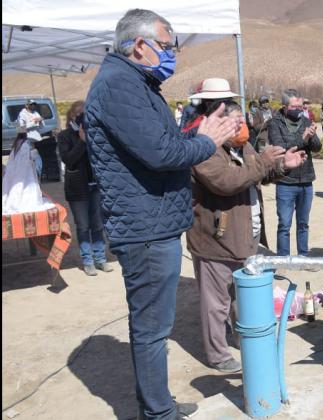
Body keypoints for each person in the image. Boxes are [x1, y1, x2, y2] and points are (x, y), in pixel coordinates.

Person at [84, 9, 236, 419]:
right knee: (151, 331)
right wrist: (205, 142)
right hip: (145, 228)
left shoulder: (137, 84)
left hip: (153, 223)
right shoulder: (120, 86)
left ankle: (157, 403)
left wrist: (196, 135)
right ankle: (157, 413)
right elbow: (162, 154)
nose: (172, 55)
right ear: (140, 45)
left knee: (153, 329)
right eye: (167, 47)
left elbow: (161, 142)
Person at [187, 95, 306, 374]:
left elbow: (257, 174)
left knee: (242, 297)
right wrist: (264, 162)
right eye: (236, 121)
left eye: (243, 121)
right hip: (216, 240)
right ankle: (218, 355)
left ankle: (242, 338)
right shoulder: (204, 149)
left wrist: (280, 165)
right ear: (218, 122)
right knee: (216, 304)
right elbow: (227, 182)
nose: (243, 126)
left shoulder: (243, 145)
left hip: (245, 238)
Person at [57, 101, 112, 276]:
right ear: (72, 116)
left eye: (86, 113)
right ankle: (88, 261)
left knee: (97, 225)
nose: (83, 116)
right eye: (80, 113)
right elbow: (68, 160)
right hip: (77, 190)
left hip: (95, 187)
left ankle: (100, 259)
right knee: (83, 226)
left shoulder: (93, 133)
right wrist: (81, 141)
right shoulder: (65, 136)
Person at [268, 89, 322, 256]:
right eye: (294, 106)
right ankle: (283, 258)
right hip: (285, 182)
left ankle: (303, 256)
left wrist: (312, 136)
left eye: (300, 106)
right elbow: (281, 147)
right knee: (284, 224)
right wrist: (303, 139)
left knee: (303, 223)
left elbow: (317, 147)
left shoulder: (305, 121)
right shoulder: (275, 123)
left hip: (306, 181)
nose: (298, 109)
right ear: (285, 107)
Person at [2, 126, 53, 215]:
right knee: (27, 188)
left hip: (17, 169)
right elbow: (27, 158)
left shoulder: (16, 144)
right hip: (25, 170)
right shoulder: (25, 144)